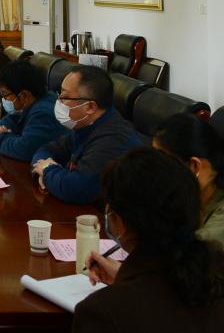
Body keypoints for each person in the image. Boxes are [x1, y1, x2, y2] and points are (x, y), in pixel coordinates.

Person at [77, 148, 224, 332]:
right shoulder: (213, 284)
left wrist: (131, 281)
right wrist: (127, 276)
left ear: (120, 223)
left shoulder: (102, 312)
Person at [31, 66, 141, 205]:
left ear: (90, 107)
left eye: (65, 97)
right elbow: (46, 150)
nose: (59, 101)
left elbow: (75, 189)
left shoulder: (114, 139)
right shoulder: (86, 125)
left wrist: (47, 171)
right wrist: (48, 172)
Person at [153, 114, 224, 245]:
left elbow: (194, 253)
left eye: (162, 165)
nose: (156, 172)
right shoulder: (190, 196)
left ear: (195, 166)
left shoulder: (218, 227)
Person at [0, 60, 67, 161]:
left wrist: (0, 138)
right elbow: (14, 119)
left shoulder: (44, 112)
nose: (4, 100)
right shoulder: (35, 101)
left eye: (5, 95)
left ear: (24, 95)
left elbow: (25, 150)